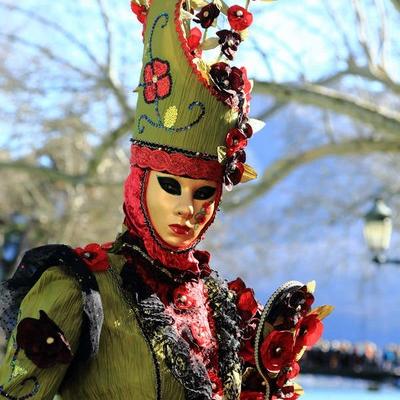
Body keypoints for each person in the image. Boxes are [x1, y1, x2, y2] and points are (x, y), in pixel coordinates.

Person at [0, 1, 331, 399]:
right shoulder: (79, 288)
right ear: (139, 182)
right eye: (170, 185)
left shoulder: (219, 302)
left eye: (204, 193)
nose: (187, 208)